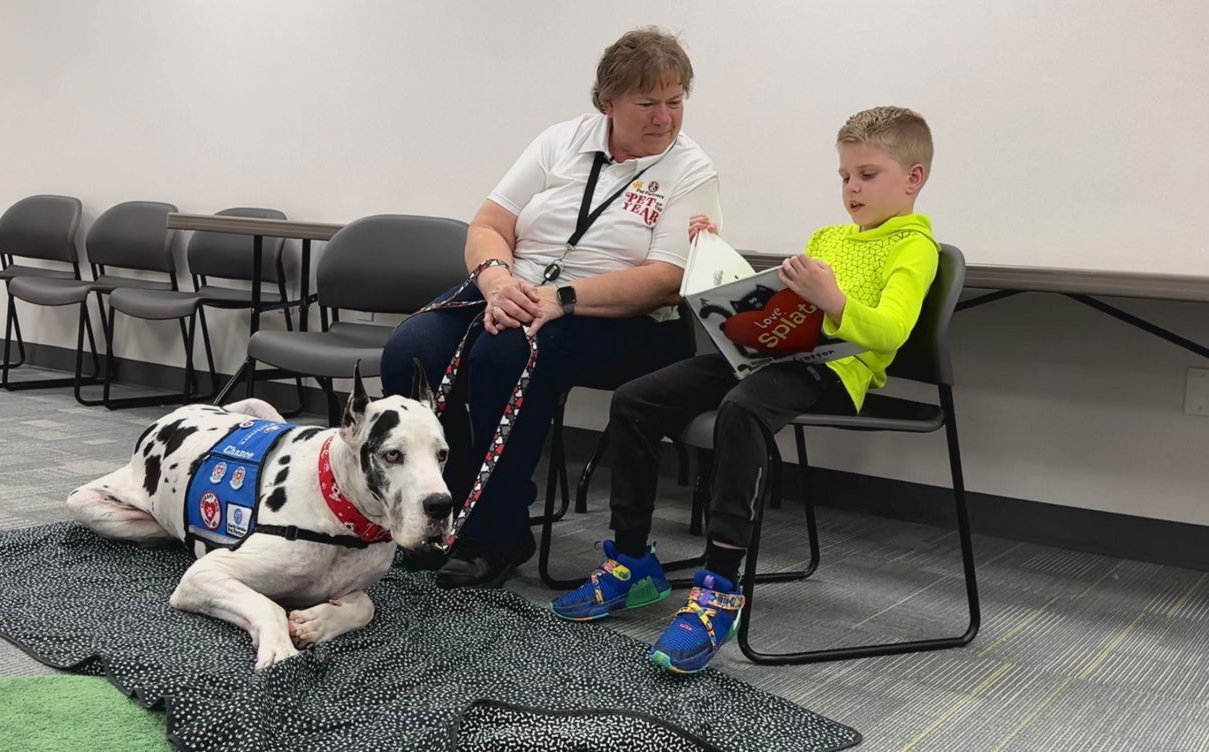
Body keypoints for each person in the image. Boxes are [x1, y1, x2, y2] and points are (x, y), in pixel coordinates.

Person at [551, 106, 941, 674]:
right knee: (636, 398)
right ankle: (632, 560)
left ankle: (719, 589)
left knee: (741, 411)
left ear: (913, 179)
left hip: (836, 371)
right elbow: (778, 307)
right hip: (775, 356)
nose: (852, 189)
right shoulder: (828, 237)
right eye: (844, 177)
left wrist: (833, 301)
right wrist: (715, 256)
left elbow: (889, 333)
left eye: (867, 175)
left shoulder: (915, 247)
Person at [380, 28, 722, 589]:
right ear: (608, 102)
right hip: (516, 292)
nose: (665, 117)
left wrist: (558, 299)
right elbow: (489, 225)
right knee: (411, 351)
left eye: (676, 100)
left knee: (505, 354)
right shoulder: (561, 140)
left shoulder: (691, 170)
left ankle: (496, 533)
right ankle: (443, 511)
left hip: (626, 321)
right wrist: (496, 282)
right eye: (647, 103)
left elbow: (668, 280)